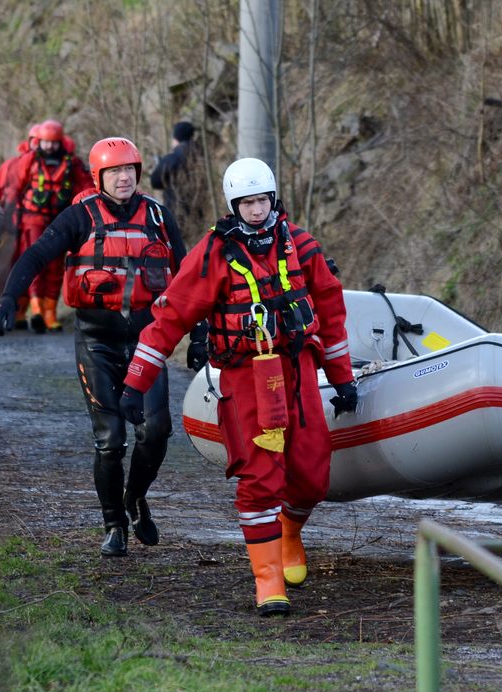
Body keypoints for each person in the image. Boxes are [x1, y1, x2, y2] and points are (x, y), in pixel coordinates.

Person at [117, 157, 358, 617]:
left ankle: (290, 531)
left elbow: (331, 313)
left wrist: (342, 378)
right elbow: (171, 318)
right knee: (260, 476)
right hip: (247, 378)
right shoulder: (213, 252)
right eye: (246, 202)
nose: (255, 210)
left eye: (261, 200)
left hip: (297, 370)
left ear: (273, 199)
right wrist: (135, 383)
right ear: (233, 204)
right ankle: (267, 581)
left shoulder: (300, 245)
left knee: (311, 473)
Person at [0, 137, 196, 559]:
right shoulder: (78, 217)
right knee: (111, 440)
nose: (124, 178)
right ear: (99, 177)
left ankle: (135, 499)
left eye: (130, 170)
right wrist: (9, 299)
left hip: (147, 341)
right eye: (115, 172)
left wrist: (203, 334)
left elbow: (191, 277)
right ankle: (114, 523)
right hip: (96, 341)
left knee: (156, 433)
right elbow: (34, 257)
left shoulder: (157, 215)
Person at [8, 119, 93, 333]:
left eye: (53, 143)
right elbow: (15, 186)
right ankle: (36, 310)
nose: (49, 147)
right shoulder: (29, 160)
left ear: (60, 142)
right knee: (36, 262)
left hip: (60, 219)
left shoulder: (72, 163)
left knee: (56, 269)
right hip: (33, 219)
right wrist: (10, 214)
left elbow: (86, 187)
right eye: (46, 142)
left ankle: (49, 313)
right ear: (40, 142)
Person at [0, 123, 40, 330]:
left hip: (31, 225)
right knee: (5, 270)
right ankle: (0, 312)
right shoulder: (10, 166)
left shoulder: (50, 168)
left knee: (30, 268)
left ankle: (23, 314)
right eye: (35, 141)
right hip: (9, 225)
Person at [150, 121, 206, 238]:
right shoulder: (202, 158)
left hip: (177, 213)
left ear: (176, 138)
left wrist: (160, 164)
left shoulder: (172, 158)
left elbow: (155, 181)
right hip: (199, 213)